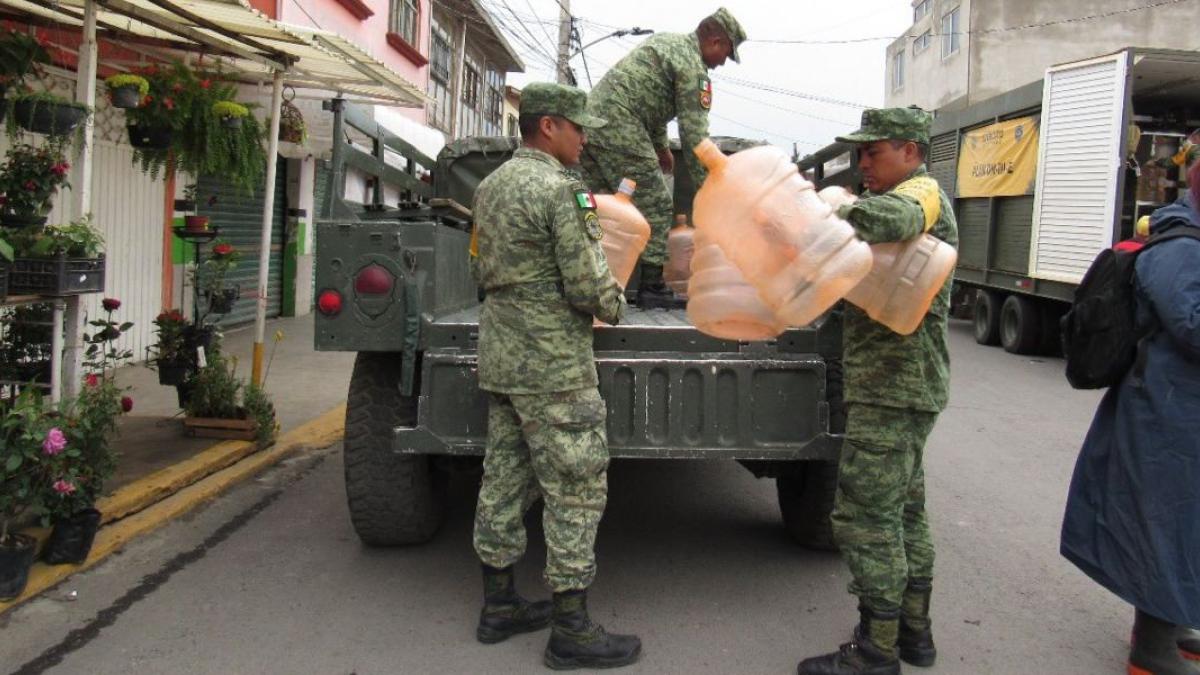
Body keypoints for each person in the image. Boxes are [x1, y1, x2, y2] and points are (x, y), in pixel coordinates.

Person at [470, 81, 641, 671]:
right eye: (578, 126)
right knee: (575, 488)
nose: (584, 136)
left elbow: (481, 266)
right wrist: (617, 302)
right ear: (548, 127)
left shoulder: (489, 187)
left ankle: (498, 606)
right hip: (554, 367)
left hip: (502, 355)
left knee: (505, 478)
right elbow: (590, 286)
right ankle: (571, 628)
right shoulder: (562, 191)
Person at [796, 107, 958, 675]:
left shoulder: (922, 195)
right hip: (904, 388)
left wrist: (832, 206)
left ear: (911, 150)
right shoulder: (910, 191)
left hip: (892, 389)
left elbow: (888, 221)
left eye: (875, 151)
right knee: (906, 512)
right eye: (861, 153)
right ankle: (914, 633)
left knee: (865, 515)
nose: (864, 162)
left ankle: (875, 649)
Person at [1060, 157, 1200, 675]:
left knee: (1185, 525)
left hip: (1180, 411)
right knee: (1165, 524)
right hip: (1166, 417)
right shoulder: (1181, 249)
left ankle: (1174, 622)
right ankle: (1152, 649)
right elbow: (1193, 326)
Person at [578, 7, 746, 307]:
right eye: (727, 54)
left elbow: (649, 100)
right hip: (619, 124)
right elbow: (696, 139)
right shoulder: (694, 69)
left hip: (591, 125)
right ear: (717, 42)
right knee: (656, 203)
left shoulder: (669, 43)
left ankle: (587, 283)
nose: (723, 63)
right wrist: (711, 187)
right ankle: (652, 288)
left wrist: (660, 146)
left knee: (600, 207)